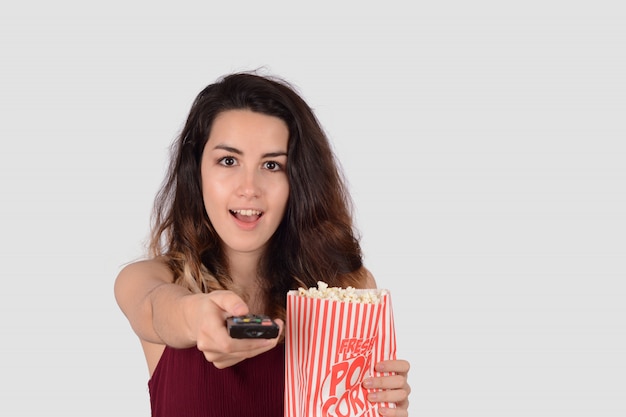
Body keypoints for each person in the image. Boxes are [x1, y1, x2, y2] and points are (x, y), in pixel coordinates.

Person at [114, 71, 411, 416]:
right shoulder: (146, 280)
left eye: (272, 165)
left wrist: (382, 408)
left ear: (298, 180)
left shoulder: (350, 289)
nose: (249, 188)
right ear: (196, 172)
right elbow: (157, 309)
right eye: (228, 161)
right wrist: (197, 318)